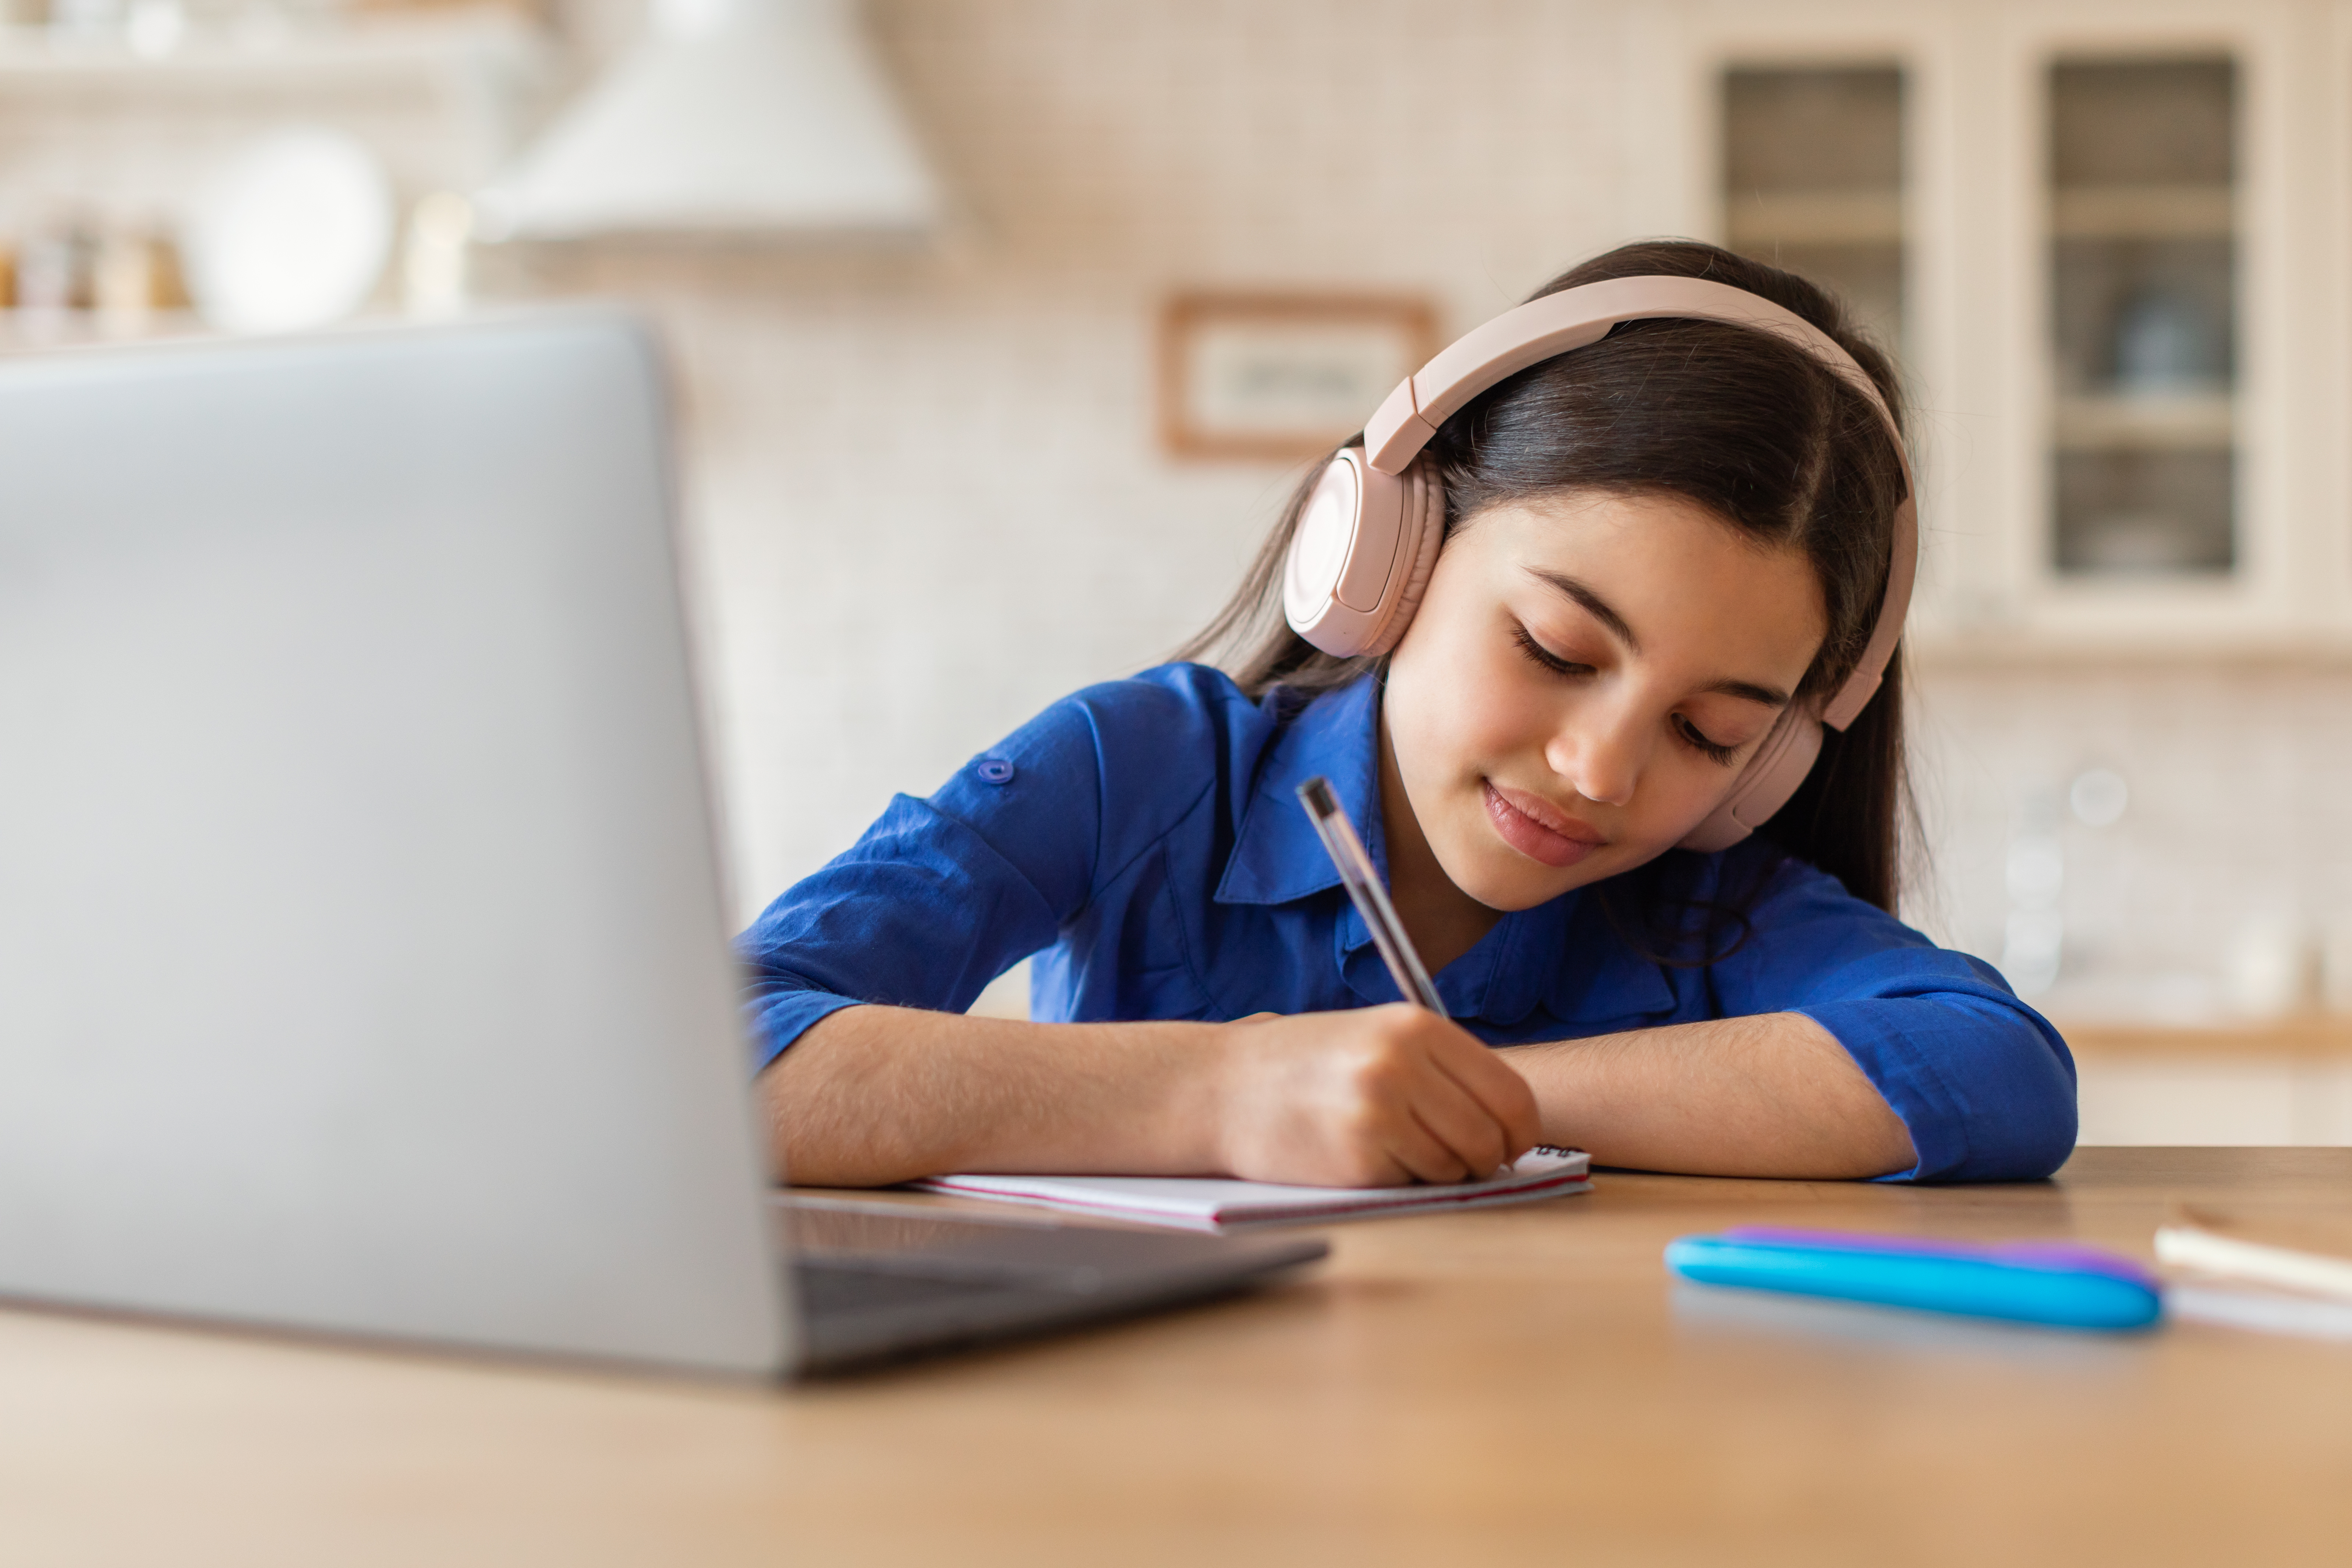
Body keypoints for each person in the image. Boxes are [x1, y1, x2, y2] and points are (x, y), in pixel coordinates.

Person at [739, 240, 2078, 1189]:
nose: (1601, 770)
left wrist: (1470, 1100)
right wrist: (1227, 1096)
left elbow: (1997, 1071)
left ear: (1776, 757)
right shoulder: (1136, 769)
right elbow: (720, 1056)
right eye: (1556, 648)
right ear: (1388, 553)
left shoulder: (1706, 898)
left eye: (1711, 735)